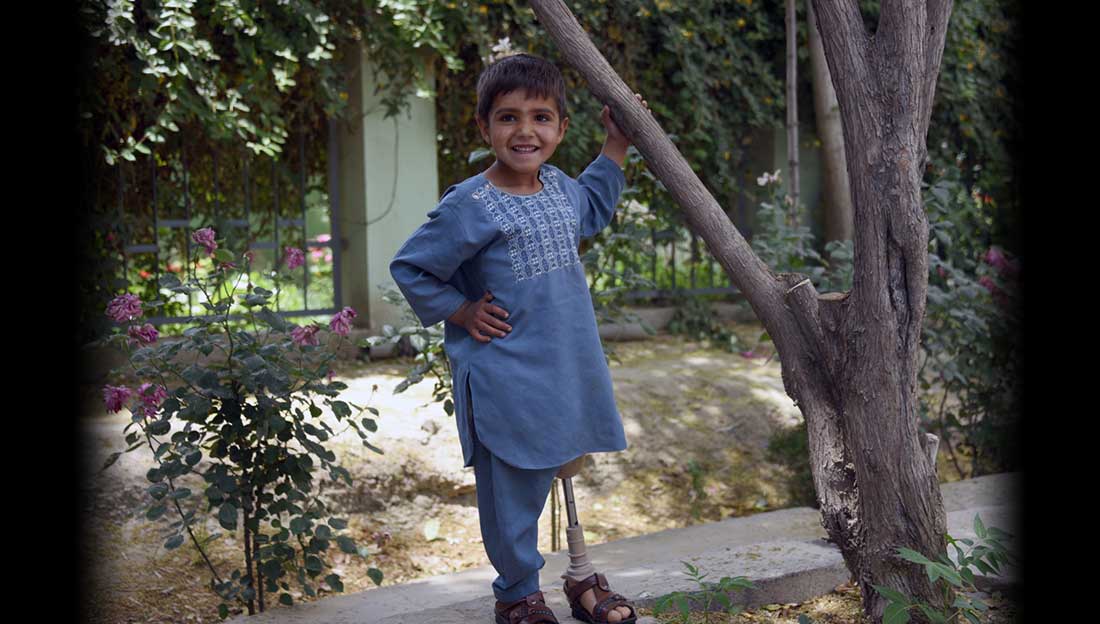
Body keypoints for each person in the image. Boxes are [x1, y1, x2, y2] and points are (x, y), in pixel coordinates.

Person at [389, 52, 649, 624]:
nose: (525, 130)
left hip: (563, 364)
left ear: (560, 128)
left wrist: (618, 146)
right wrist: (459, 310)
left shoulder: (558, 188)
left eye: (541, 117)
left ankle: (581, 575)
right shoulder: (468, 204)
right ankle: (518, 594)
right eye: (508, 118)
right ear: (484, 128)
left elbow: (594, 205)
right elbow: (411, 266)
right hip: (505, 371)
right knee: (513, 487)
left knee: (561, 464)